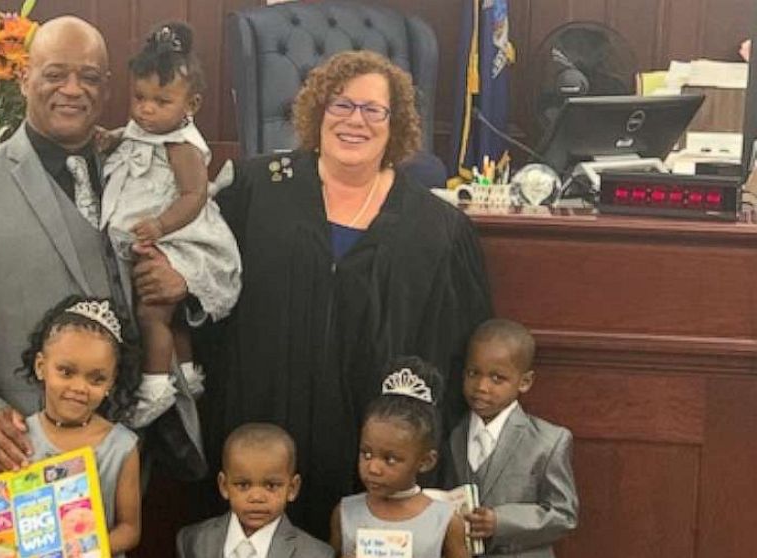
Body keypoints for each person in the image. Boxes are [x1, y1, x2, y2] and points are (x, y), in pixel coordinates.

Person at [0, 16, 196, 556]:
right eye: (56, 74)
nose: (73, 89)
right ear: (24, 79)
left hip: (120, 458)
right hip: (16, 457)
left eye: (89, 77)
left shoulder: (146, 171)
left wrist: (183, 287)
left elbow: (193, 257)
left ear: (108, 88)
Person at [201, 49, 492, 537]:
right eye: (340, 105)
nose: (355, 120)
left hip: (374, 455)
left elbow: (455, 347)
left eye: (372, 110)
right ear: (317, 111)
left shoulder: (436, 229)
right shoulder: (256, 189)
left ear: (394, 123)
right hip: (264, 438)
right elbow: (207, 289)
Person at [101, 21, 241, 427]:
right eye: (139, 97)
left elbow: (194, 196)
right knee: (168, 312)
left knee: (152, 312)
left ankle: (156, 384)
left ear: (191, 104)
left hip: (180, 234)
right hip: (152, 231)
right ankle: (188, 370)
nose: (145, 109)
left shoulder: (181, 145)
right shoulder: (146, 129)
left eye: (160, 101)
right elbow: (129, 140)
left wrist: (162, 227)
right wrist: (109, 139)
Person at [443, 319, 578, 557]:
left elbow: (564, 515)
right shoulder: (452, 434)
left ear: (524, 382)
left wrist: (501, 522)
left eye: (497, 378)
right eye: (474, 373)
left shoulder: (549, 441)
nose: (482, 386)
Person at [19, 295, 141, 556]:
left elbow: (130, 528)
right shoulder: (18, 437)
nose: (78, 388)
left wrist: (80, 551)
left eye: (96, 379)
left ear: (112, 382)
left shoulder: (121, 446)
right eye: (66, 371)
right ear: (41, 367)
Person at [330, 357, 469, 558]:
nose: (374, 468)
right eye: (366, 454)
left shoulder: (445, 519)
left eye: (390, 459)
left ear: (426, 461)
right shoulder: (345, 512)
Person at [176, 423, 333, 558]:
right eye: (243, 485)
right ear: (224, 486)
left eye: (271, 486)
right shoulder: (193, 541)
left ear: (292, 488)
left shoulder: (315, 554)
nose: (256, 497)